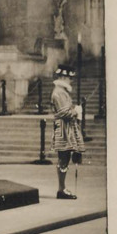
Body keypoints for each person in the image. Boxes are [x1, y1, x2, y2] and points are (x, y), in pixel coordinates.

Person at [50, 63, 84, 199]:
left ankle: (62, 188)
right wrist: (75, 111)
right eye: (70, 78)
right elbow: (64, 113)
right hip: (63, 128)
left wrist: (74, 110)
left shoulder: (62, 92)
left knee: (65, 157)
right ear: (63, 77)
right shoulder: (58, 92)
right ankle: (61, 189)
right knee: (63, 157)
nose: (71, 80)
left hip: (67, 127)